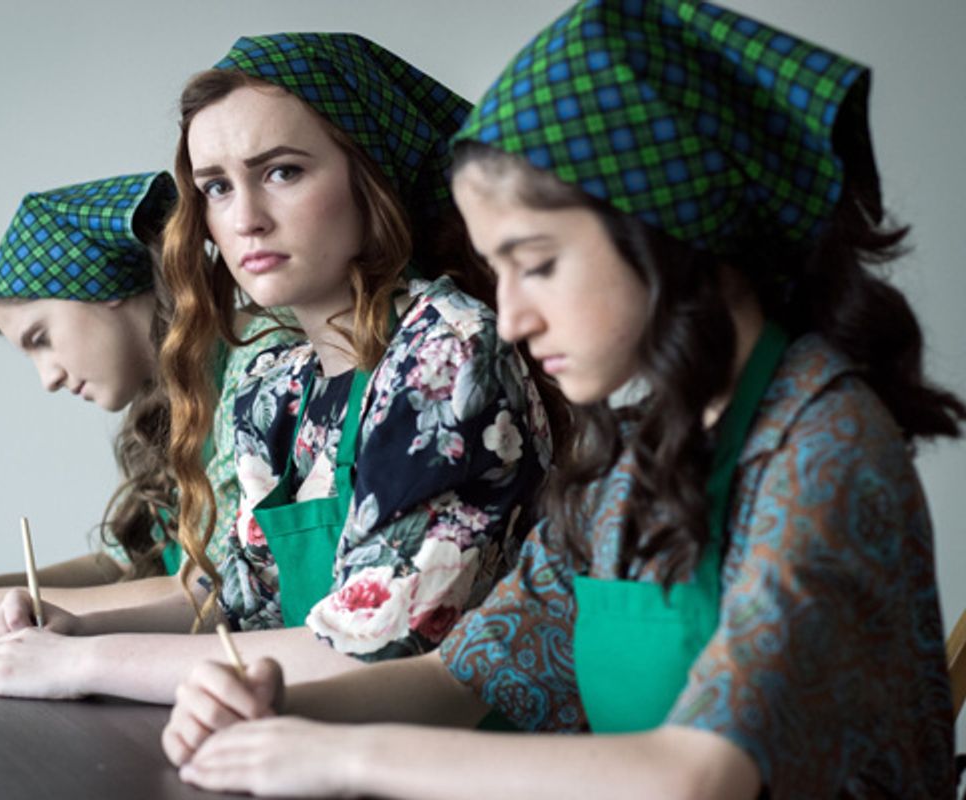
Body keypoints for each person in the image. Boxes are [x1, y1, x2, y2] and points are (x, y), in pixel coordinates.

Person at [161, 2, 963, 797]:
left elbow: (701, 774)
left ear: (663, 232)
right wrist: (275, 713)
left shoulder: (824, 442)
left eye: (537, 264)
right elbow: (468, 673)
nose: (510, 317)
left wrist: (342, 758)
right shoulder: (633, 449)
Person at [0, 32, 552, 702]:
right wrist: (70, 630)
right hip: (301, 748)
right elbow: (237, 602)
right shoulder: (278, 381)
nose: (246, 219)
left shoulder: (445, 350)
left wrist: (85, 665)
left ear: (368, 175)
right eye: (216, 188)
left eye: (283, 172)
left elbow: (377, 650)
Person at [0, 170, 297, 639]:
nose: (48, 378)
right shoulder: (170, 396)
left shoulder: (257, 359)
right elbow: (122, 565)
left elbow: (206, 588)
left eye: (41, 339)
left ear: (103, 289)